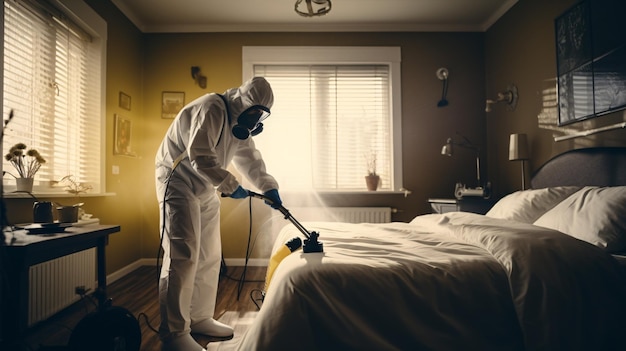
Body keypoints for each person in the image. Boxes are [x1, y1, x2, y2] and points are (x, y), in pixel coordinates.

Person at [155, 77, 282, 351]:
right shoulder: (212, 107)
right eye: (255, 112)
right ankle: (174, 334)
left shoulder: (238, 125)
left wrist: (269, 187)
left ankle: (199, 317)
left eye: (262, 114)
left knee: (210, 254)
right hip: (177, 181)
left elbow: (250, 160)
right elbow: (200, 155)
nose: (257, 118)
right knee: (183, 255)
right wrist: (229, 184)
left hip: (204, 186)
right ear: (243, 102)